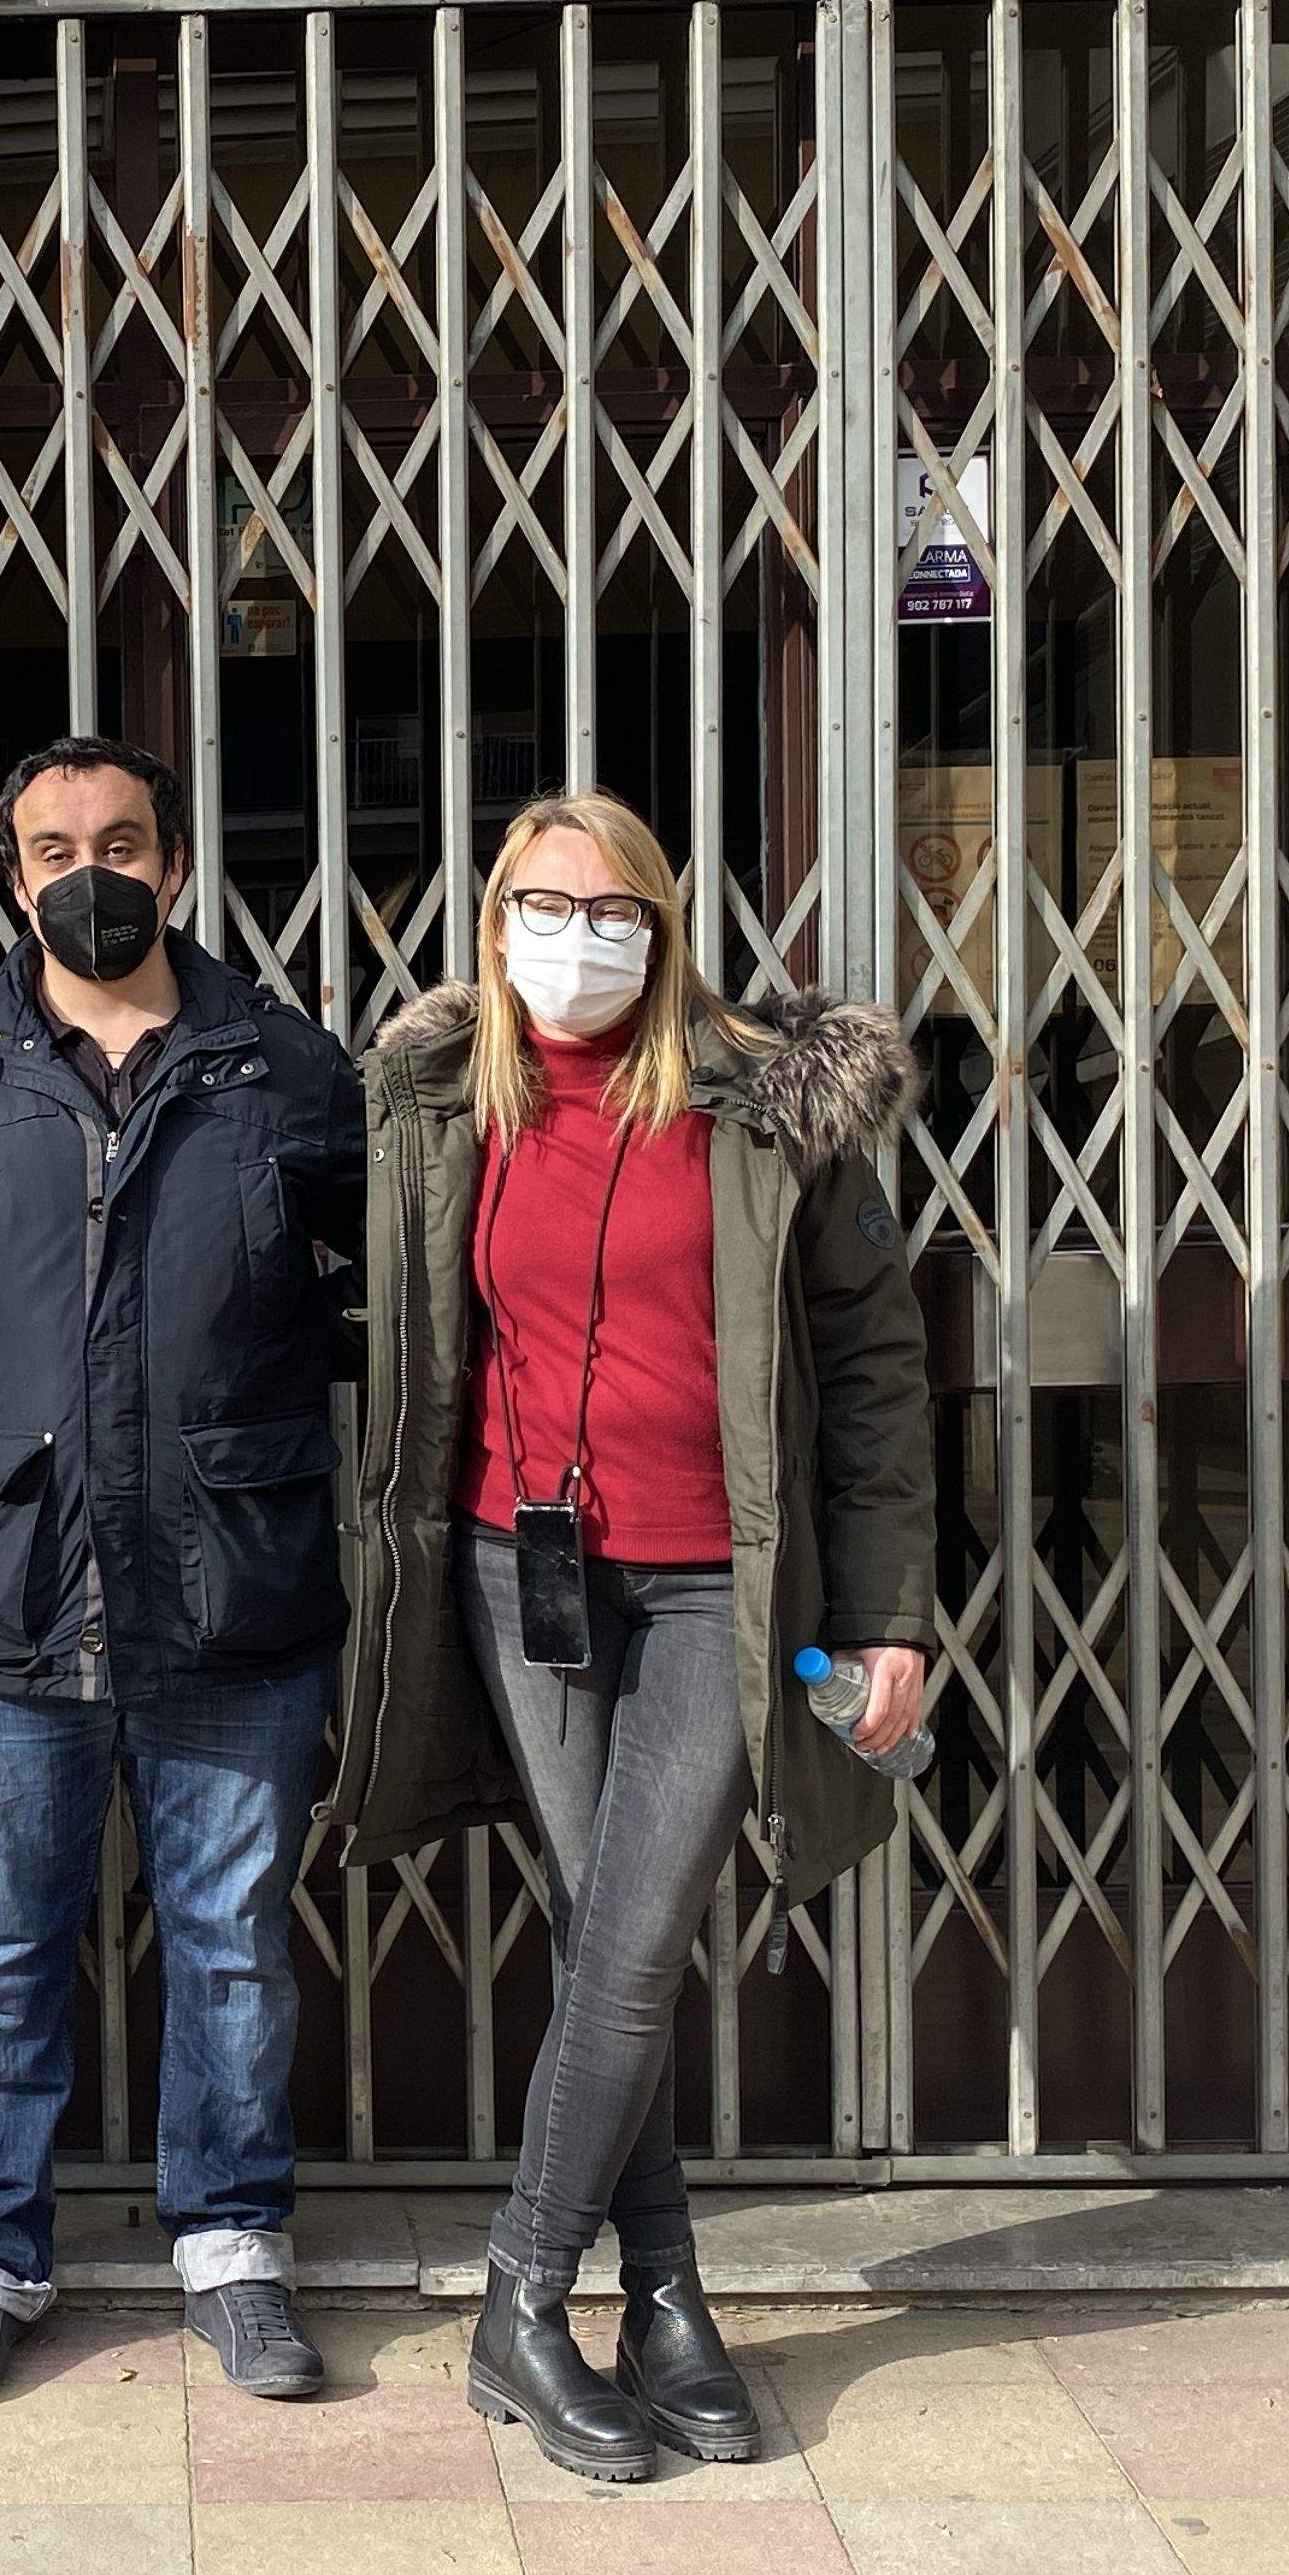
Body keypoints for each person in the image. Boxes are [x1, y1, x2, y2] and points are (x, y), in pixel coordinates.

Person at [329, 791, 932, 2482]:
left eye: (612, 909)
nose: (573, 937)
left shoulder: (765, 1109)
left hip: (708, 1589)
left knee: (638, 1935)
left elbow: (879, 1376)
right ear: (491, 917)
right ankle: (666, 2296)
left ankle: (520, 2302)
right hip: (523, 1576)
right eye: (539, 901)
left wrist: (887, 1611)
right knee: (616, 1933)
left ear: (664, 931)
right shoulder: (445, 1105)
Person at [0, 734, 367, 2408]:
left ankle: (235, 2249)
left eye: (121, 841)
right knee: (0, 1945)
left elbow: (399, 1284)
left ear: (179, 865)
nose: (90, 872)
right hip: (6, 1588)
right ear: (10, 880)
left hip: (232, 1583)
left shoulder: (286, 1069)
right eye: (52, 848)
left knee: (231, 1944)